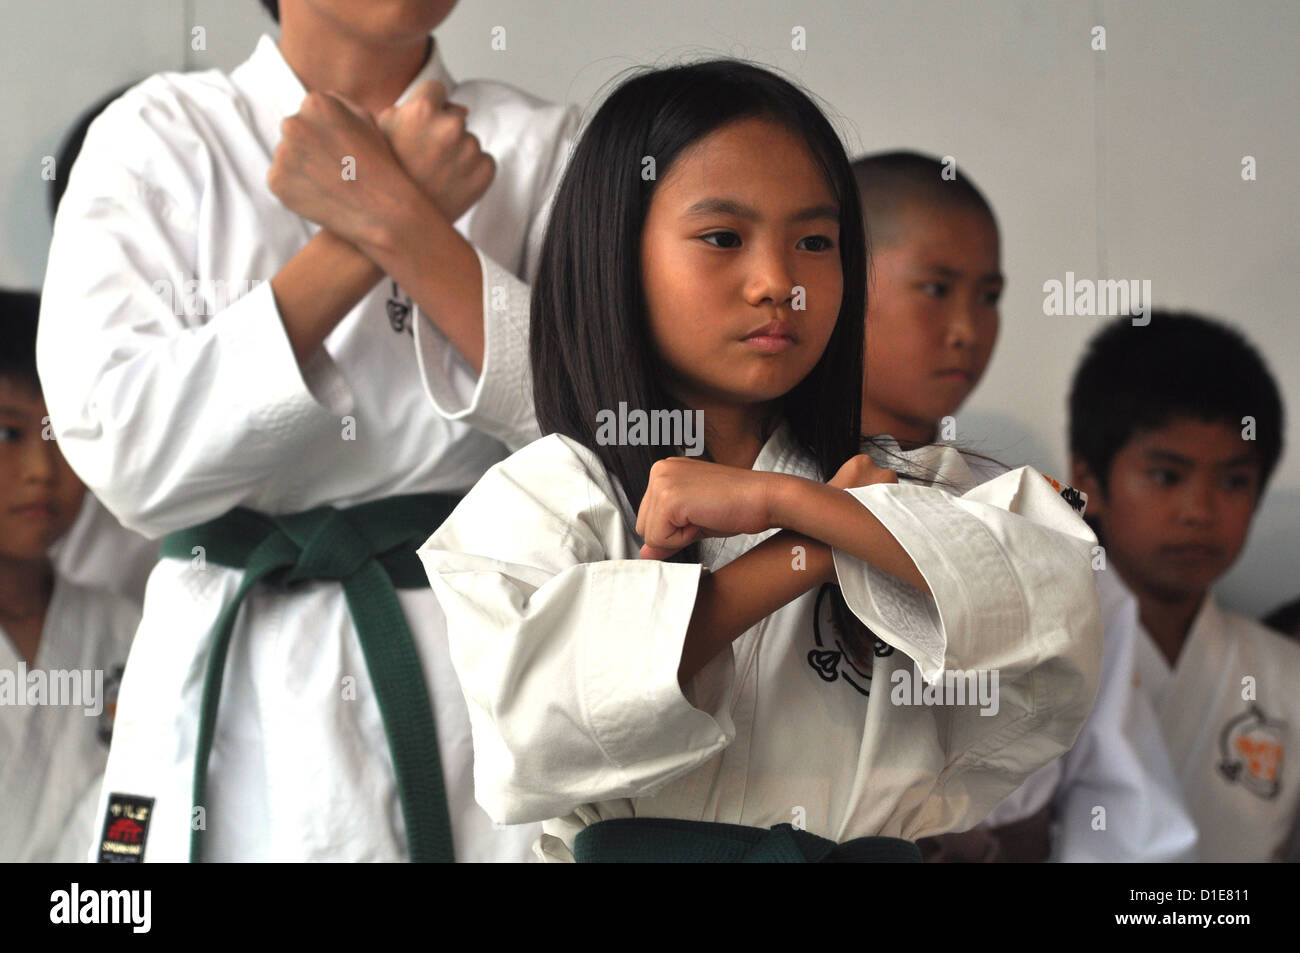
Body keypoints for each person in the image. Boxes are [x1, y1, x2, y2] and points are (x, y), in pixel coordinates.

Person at [417, 61, 1103, 863]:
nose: (781, 283)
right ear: (616, 253)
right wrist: (804, 550)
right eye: (723, 238)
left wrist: (795, 502)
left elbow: (1051, 612)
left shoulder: (905, 486)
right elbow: (538, 735)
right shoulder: (542, 499)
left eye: (815, 241)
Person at [38, 0, 578, 861]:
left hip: (478, 657)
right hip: (231, 642)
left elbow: (594, 434)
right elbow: (127, 454)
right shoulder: (154, 136)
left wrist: (398, 217)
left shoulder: (548, 147)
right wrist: (369, 232)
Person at [852, 151, 1196, 862]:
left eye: (989, 295)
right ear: (839, 285)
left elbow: (1126, 814)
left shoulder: (1038, 521)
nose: (967, 328)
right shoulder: (755, 504)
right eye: (936, 288)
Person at [1068, 311, 1296, 862]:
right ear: (1089, 482)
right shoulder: (1043, 646)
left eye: (1234, 481)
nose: (1199, 511)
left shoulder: (1286, 673)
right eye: (1167, 476)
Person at [0, 292, 141, 862]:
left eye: (61, 436)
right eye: (7, 435)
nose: (41, 471)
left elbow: (138, 798)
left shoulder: (124, 629)